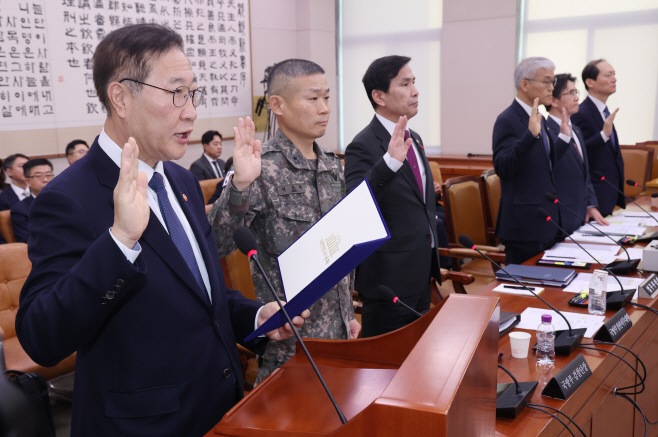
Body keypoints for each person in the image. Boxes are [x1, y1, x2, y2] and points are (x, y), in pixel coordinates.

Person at [15, 24, 306, 437]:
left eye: (192, 93)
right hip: (143, 426)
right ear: (120, 97)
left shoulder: (180, 181)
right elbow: (41, 337)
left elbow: (203, 293)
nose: (190, 111)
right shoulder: (68, 197)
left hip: (218, 408)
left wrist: (257, 315)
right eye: (175, 93)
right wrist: (119, 243)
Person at [210, 59, 359, 384]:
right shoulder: (260, 167)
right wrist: (240, 186)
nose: (325, 109)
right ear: (277, 104)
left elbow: (339, 248)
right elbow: (216, 243)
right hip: (290, 342)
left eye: (327, 97)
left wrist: (347, 312)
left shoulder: (332, 165)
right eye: (313, 98)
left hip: (340, 334)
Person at [344, 55, 441, 338]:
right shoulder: (362, 145)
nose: (415, 90)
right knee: (388, 369)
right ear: (379, 96)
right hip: (389, 280)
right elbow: (356, 204)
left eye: (414, 82)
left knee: (420, 357)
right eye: (405, 83)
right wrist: (389, 163)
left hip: (422, 271)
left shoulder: (416, 138)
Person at [493, 57, 566, 265]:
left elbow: (543, 164)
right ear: (525, 84)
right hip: (524, 226)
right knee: (523, 294)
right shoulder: (507, 119)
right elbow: (503, 167)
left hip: (547, 220)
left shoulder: (538, 118)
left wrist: (565, 138)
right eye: (547, 81)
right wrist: (529, 135)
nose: (552, 88)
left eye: (553, 82)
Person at [545, 73, 609, 235]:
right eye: (571, 93)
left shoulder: (577, 130)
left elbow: (583, 175)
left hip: (580, 217)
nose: (576, 98)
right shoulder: (546, 134)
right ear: (553, 100)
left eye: (576, 92)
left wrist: (591, 205)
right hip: (559, 219)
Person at [571, 59, 624, 217]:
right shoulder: (581, 112)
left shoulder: (604, 111)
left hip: (610, 194)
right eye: (608, 75)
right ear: (590, 82)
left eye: (614, 74)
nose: (614, 79)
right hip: (594, 197)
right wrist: (602, 136)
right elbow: (577, 152)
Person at [10, 158, 54, 243]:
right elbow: (27, 240)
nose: (45, 180)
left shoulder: (64, 202)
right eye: (38, 176)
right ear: (27, 181)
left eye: (49, 175)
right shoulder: (20, 210)